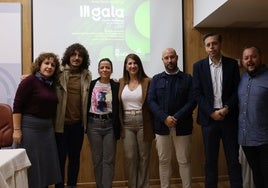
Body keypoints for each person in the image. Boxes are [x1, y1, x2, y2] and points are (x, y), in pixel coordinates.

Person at [192, 33, 242, 188]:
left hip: (229, 118)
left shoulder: (232, 64)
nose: (211, 47)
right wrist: (211, 112)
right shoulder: (198, 66)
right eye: (208, 45)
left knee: (233, 160)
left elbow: (237, 90)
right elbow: (197, 92)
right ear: (205, 47)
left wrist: (226, 108)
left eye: (214, 43)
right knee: (210, 161)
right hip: (209, 120)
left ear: (220, 44)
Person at [147, 48, 196, 188]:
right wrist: (164, 118)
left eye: (172, 57)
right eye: (166, 58)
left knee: (184, 160)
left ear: (177, 57)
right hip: (161, 127)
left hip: (183, 127)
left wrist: (175, 118)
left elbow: (192, 101)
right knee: (163, 161)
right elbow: (151, 101)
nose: (170, 60)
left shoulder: (187, 79)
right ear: (162, 60)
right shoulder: (156, 79)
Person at [13, 52, 61, 188]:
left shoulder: (50, 84)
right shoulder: (29, 81)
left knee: (45, 167)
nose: (49, 67)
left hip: (47, 130)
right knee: (32, 167)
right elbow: (17, 106)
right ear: (39, 65)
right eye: (46, 63)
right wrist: (17, 130)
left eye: (53, 65)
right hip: (30, 129)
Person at [54, 43, 92, 188]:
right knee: (60, 159)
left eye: (80, 56)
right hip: (60, 125)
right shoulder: (58, 73)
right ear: (68, 56)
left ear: (84, 59)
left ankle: (71, 186)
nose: (76, 58)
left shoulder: (87, 75)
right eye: (73, 55)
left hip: (78, 125)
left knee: (74, 159)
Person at [118, 53, 154, 188]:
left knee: (144, 157)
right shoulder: (121, 82)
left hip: (143, 122)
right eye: (130, 63)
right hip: (126, 123)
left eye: (135, 63)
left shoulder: (148, 81)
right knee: (130, 158)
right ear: (126, 67)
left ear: (139, 65)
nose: (132, 66)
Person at [87, 58, 120, 188]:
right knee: (97, 160)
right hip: (93, 125)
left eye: (107, 67)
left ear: (111, 70)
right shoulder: (91, 84)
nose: (105, 70)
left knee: (109, 161)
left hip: (110, 125)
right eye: (102, 67)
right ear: (98, 70)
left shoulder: (116, 85)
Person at [238, 45, 268, 188]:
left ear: (260, 57)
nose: (250, 60)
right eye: (246, 58)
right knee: (257, 173)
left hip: (265, 139)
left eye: (253, 56)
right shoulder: (242, 78)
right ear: (242, 61)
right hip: (246, 139)